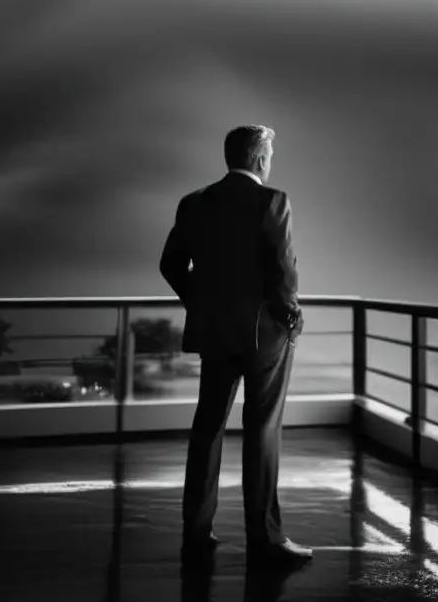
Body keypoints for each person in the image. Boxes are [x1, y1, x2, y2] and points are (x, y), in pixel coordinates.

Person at [160, 124, 311, 565]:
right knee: (262, 431)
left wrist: (202, 304)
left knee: (207, 428)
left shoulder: (196, 203)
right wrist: (291, 319)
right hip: (265, 335)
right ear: (260, 158)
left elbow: (170, 263)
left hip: (215, 331)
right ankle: (265, 538)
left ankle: (196, 531)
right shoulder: (272, 201)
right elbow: (284, 273)